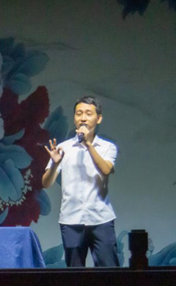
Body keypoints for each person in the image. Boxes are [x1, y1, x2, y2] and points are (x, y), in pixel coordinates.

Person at [42, 96, 119, 267]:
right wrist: (55, 164)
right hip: (71, 219)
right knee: (75, 273)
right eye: (79, 114)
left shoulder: (108, 147)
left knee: (109, 271)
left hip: (101, 218)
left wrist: (88, 144)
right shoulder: (63, 148)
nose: (83, 118)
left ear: (99, 118)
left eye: (88, 114)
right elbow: (46, 183)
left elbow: (106, 170)